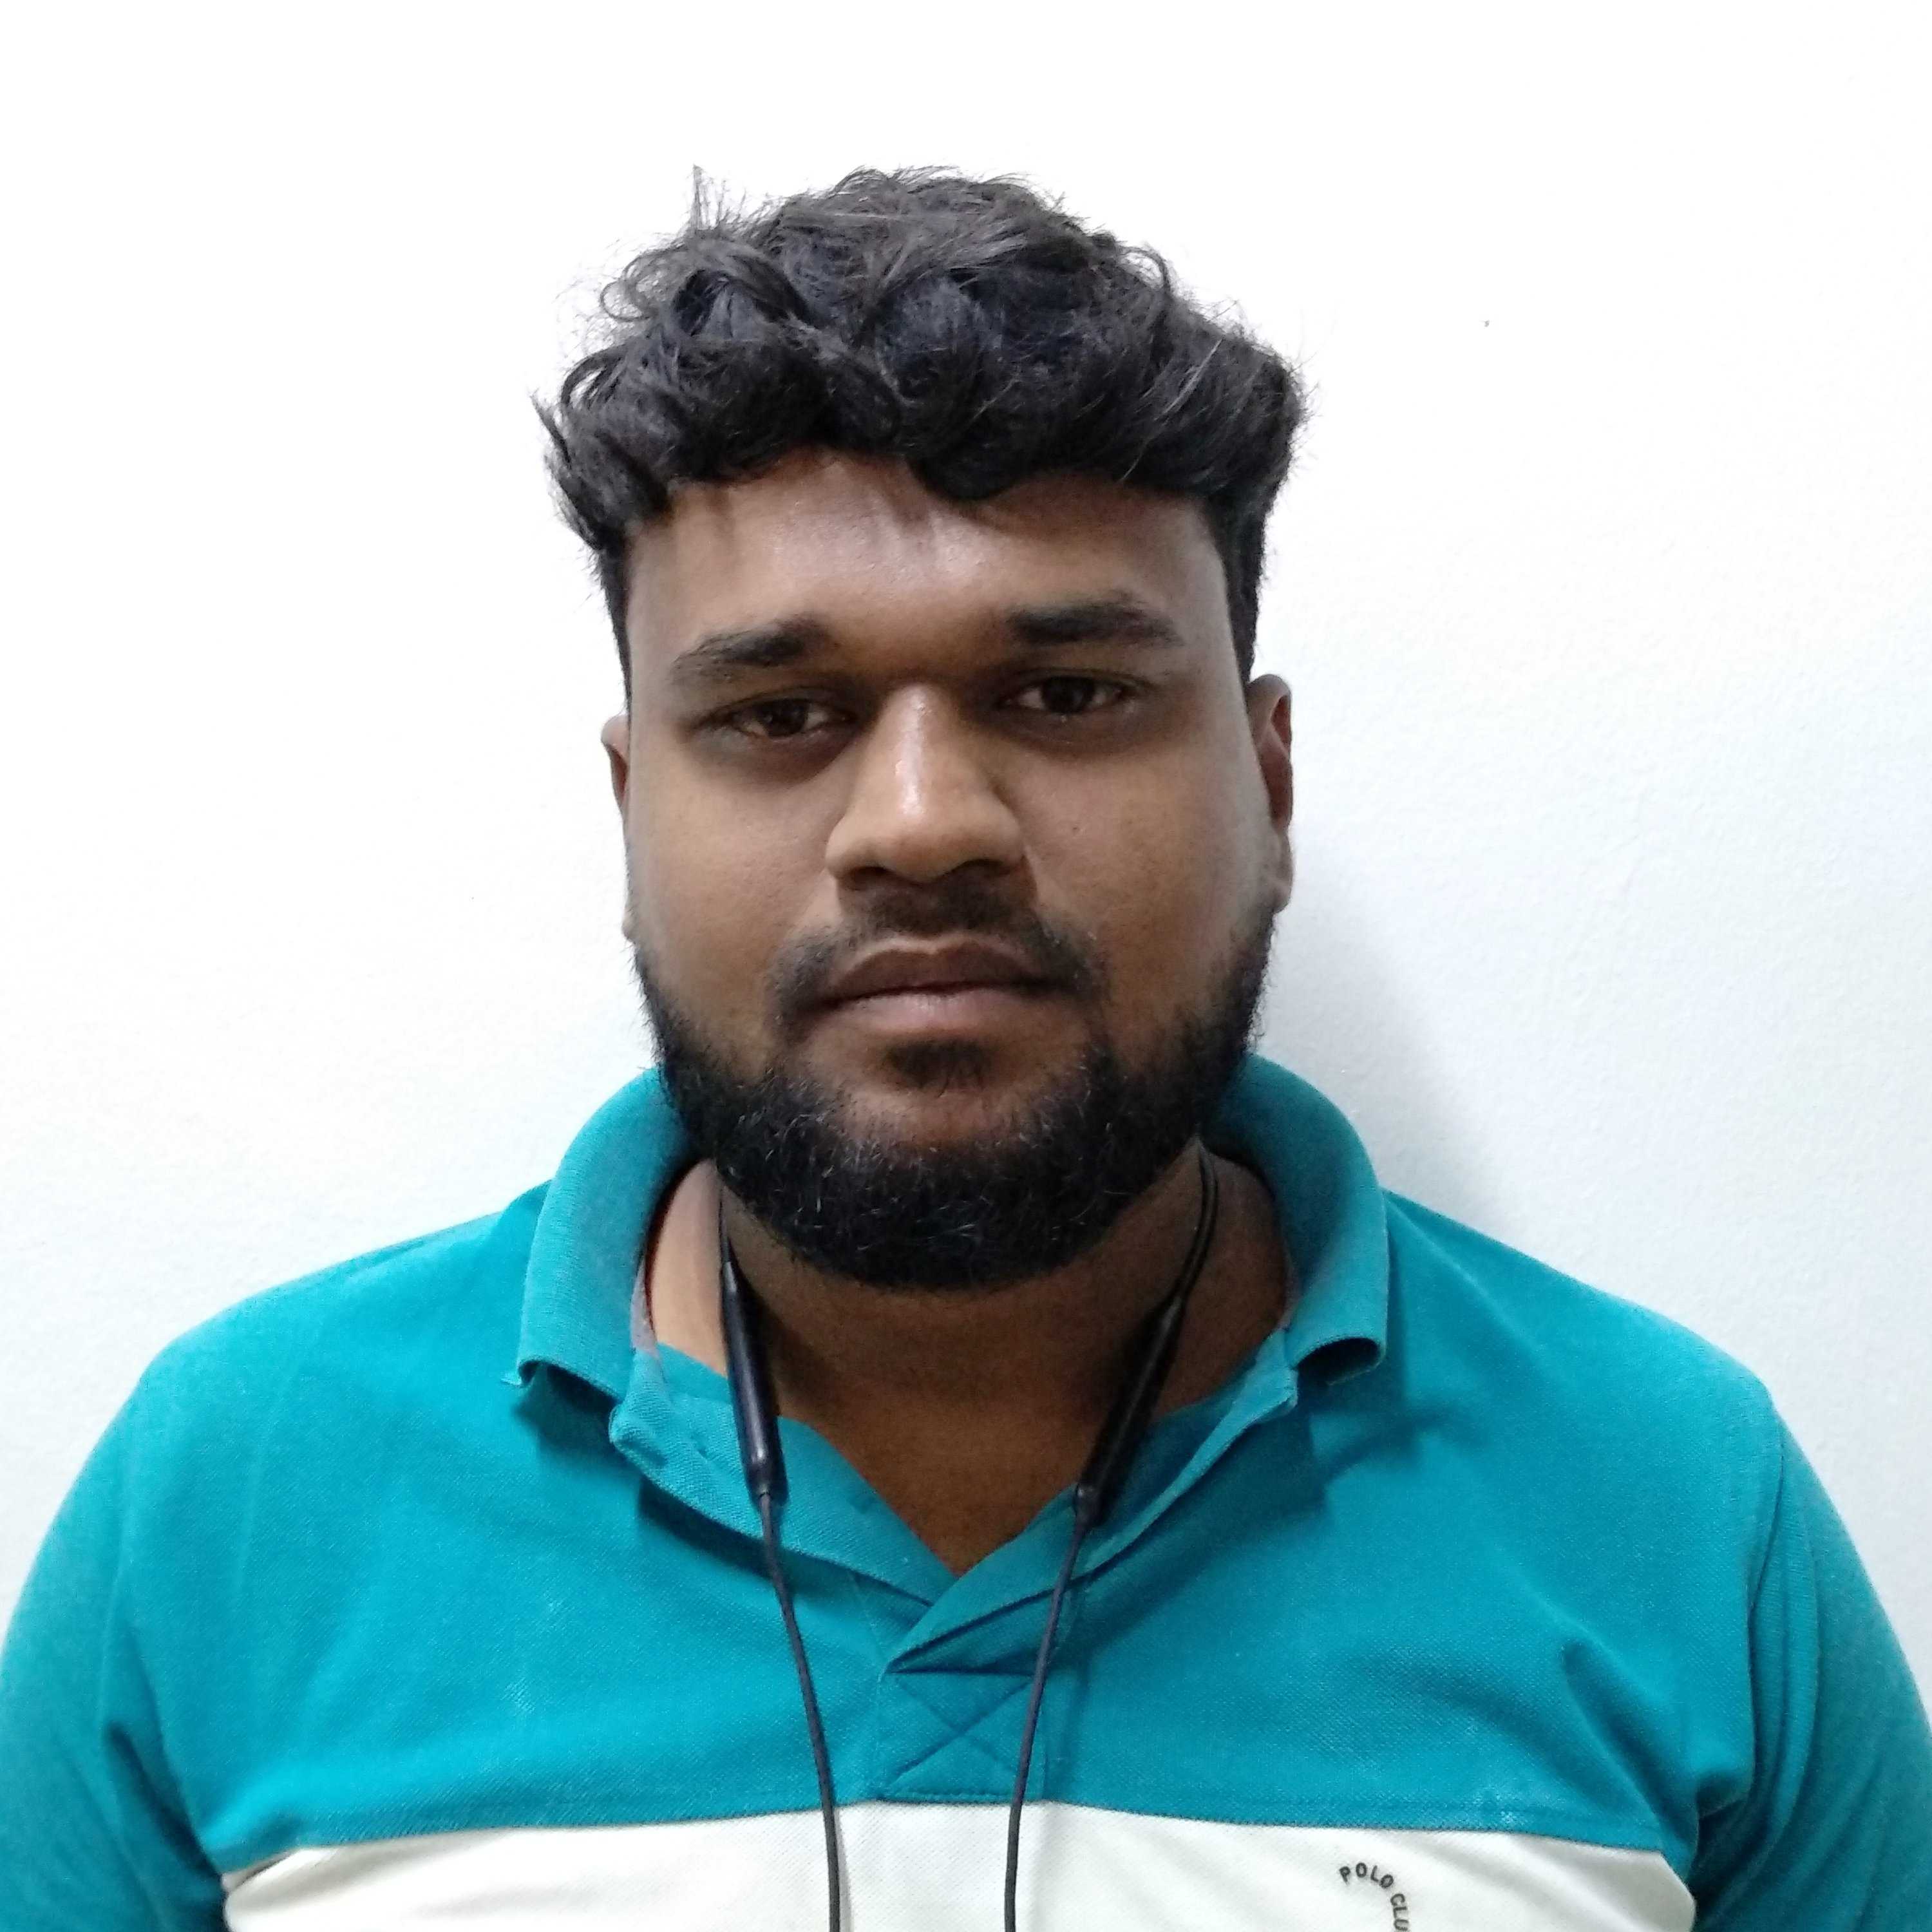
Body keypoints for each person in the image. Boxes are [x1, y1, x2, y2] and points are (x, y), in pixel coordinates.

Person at [2, 168, 1926, 1932]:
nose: (921, 824)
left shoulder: (1677, 1504)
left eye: (1067, 692)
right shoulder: (237, 1495)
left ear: (1268, 784)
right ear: (630, 810)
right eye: (781, 714)